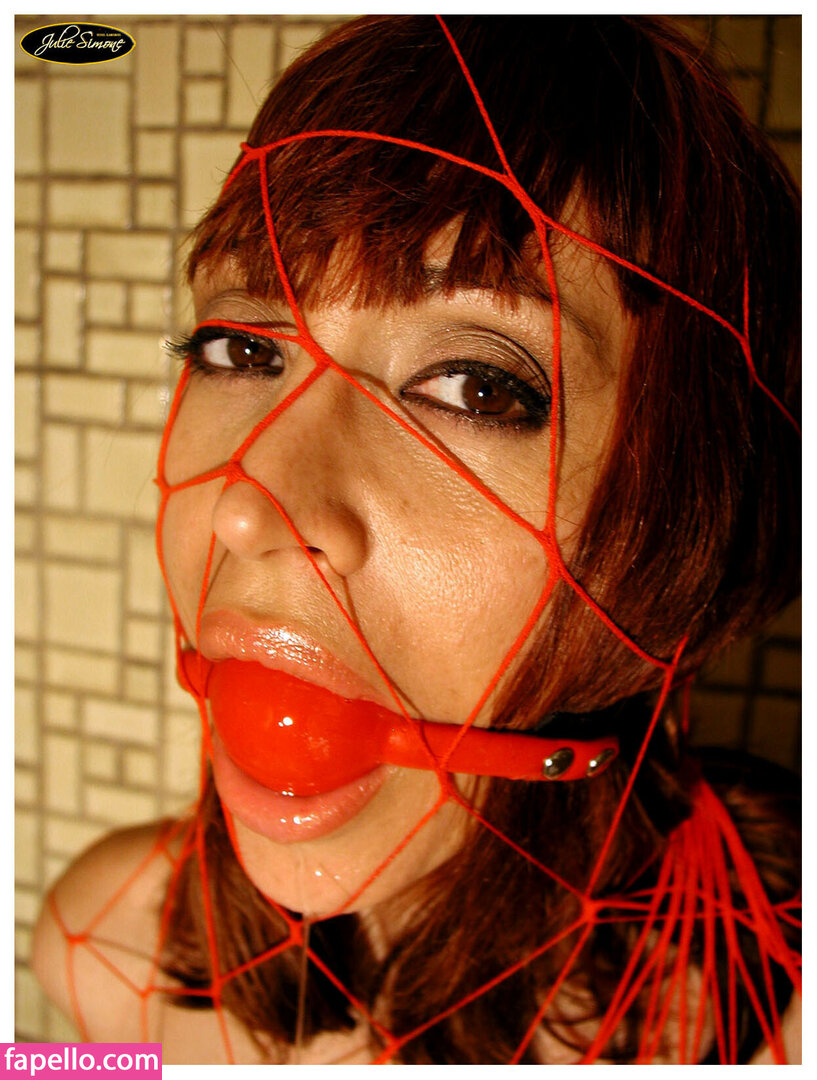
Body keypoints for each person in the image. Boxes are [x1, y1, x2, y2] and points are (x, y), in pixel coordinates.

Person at [32, 15, 800, 1064]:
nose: (252, 509)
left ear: (680, 528)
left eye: (476, 386)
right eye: (241, 348)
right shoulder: (95, 962)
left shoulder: (769, 1006)